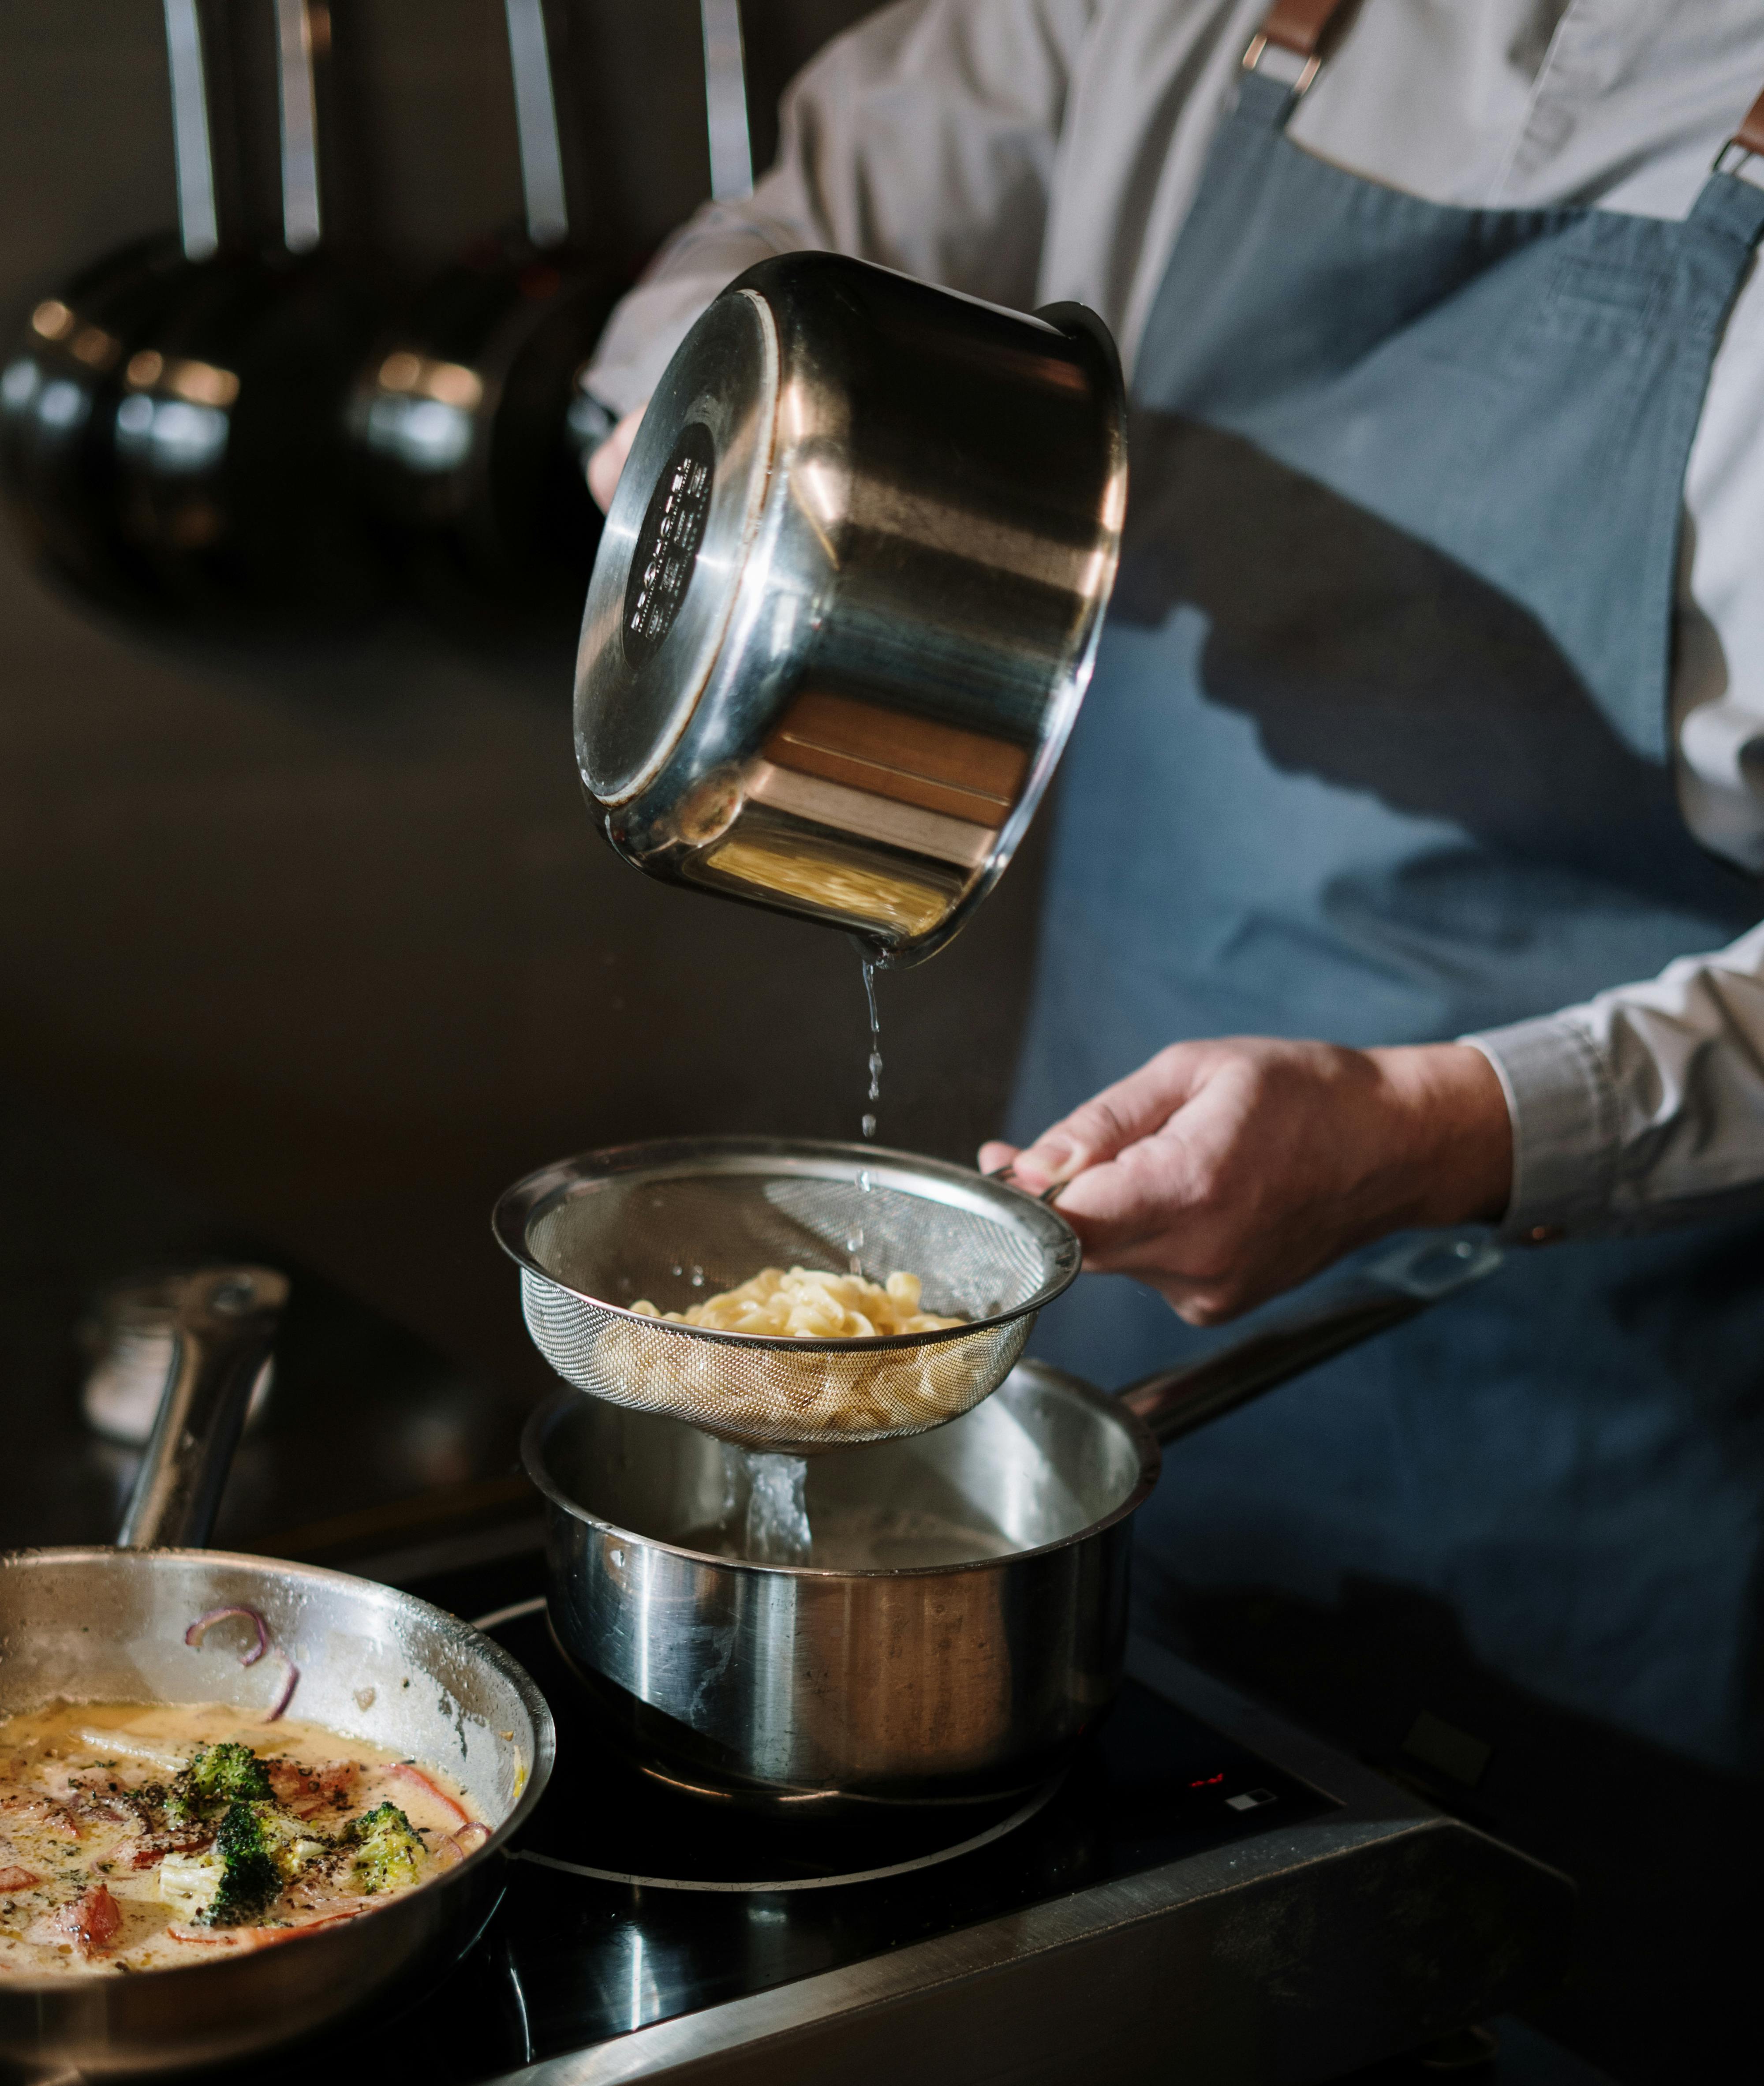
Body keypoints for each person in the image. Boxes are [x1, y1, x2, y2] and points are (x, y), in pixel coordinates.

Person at [583, 0, 1764, 1772]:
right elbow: (784, 236)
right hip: (1116, 1320)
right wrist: (710, 445)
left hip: (1606, 1442)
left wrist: (1437, 1127)